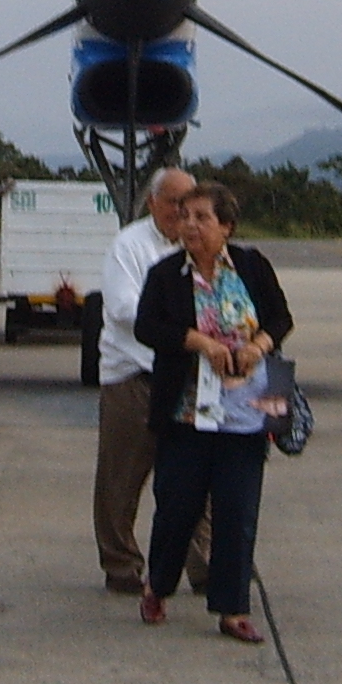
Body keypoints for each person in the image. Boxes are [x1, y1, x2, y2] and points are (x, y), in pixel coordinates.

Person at [135, 181, 292, 644]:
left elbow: (281, 318)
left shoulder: (250, 266)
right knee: (177, 508)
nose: (190, 226)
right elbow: (147, 326)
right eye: (184, 217)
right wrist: (198, 342)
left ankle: (232, 608)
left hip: (244, 414)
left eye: (202, 218)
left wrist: (259, 346)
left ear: (227, 225)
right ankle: (158, 585)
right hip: (186, 413)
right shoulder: (166, 275)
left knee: (237, 510)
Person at [93, 167, 210, 597]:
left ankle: (203, 565)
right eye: (174, 203)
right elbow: (125, 308)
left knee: (195, 477)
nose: (182, 213)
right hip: (134, 375)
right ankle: (121, 564)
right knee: (122, 476)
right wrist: (186, 326)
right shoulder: (130, 246)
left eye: (190, 204)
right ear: (152, 202)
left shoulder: (200, 245)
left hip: (187, 376)